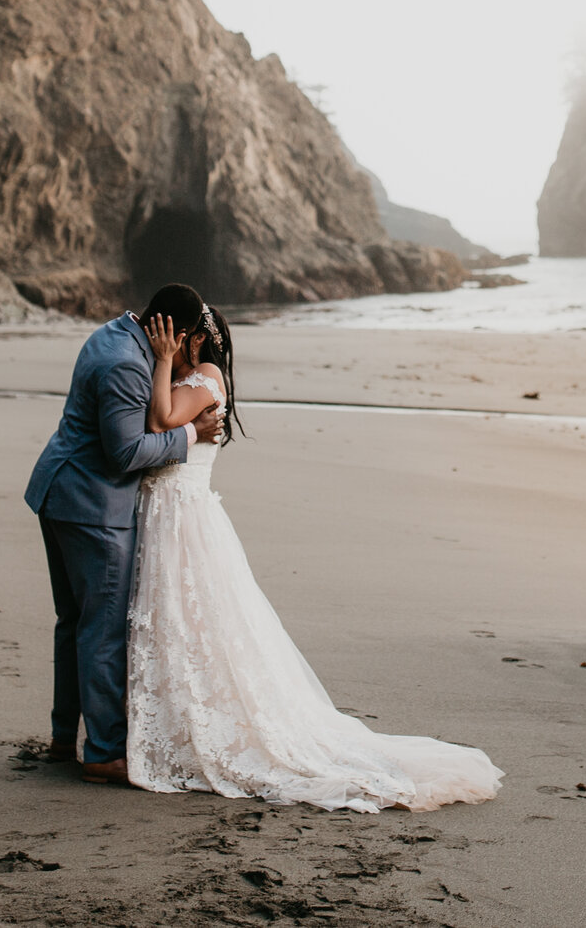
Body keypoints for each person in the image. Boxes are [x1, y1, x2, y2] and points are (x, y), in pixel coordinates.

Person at [122, 292, 502, 812]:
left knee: (196, 624)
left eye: (176, 338)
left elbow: (162, 421)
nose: (168, 345)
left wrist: (164, 361)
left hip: (183, 519)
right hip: (167, 513)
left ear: (197, 338)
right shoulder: (191, 371)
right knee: (177, 625)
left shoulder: (205, 374)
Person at [24, 285, 224, 784]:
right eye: (188, 341)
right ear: (172, 335)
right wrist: (191, 435)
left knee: (73, 622)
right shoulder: (126, 364)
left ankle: (60, 738)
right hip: (92, 506)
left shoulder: (111, 333)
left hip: (62, 493)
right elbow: (125, 452)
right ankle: (105, 754)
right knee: (102, 629)